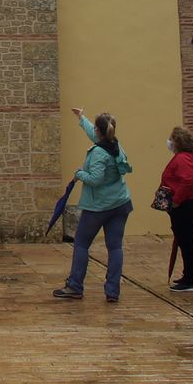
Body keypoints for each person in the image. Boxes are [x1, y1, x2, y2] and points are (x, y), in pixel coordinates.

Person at [52, 107, 133, 303]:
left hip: (98, 206)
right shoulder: (114, 145)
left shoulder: (99, 153)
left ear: (99, 131)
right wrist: (81, 117)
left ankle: (75, 285)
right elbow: (93, 132)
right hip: (121, 203)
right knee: (115, 248)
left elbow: (95, 179)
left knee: (81, 243)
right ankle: (112, 291)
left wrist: (80, 174)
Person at [162, 126, 193, 292]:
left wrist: (176, 201)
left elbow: (188, 180)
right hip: (192, 203)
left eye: (171, 139)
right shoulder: (191, 157)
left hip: (185, 204)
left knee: (187, 242)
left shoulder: (182, 159)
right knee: (186, 241)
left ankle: (190, 280)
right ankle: (188, 275)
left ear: (177, 142)